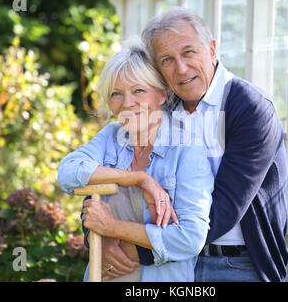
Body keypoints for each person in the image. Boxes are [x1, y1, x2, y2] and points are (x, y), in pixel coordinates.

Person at [96, 7, 288, 282]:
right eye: (167, 59)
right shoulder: (159, 105)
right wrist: (99, 236)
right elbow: (106, 168)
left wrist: (134, 246)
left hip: (235, 264)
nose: (181, 68)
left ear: (212, 50)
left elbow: (225, 208)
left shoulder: (250, 108)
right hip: (168, 265)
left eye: (188, 53)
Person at [57, 39, 214, 282]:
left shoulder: (187, 148)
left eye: (138, 90)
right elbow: (67, 173)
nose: (127, 103)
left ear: (162, 94)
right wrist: (140, 178)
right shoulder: (110, 137)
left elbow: (190, 238)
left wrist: (110, 229)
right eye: (116, 94)